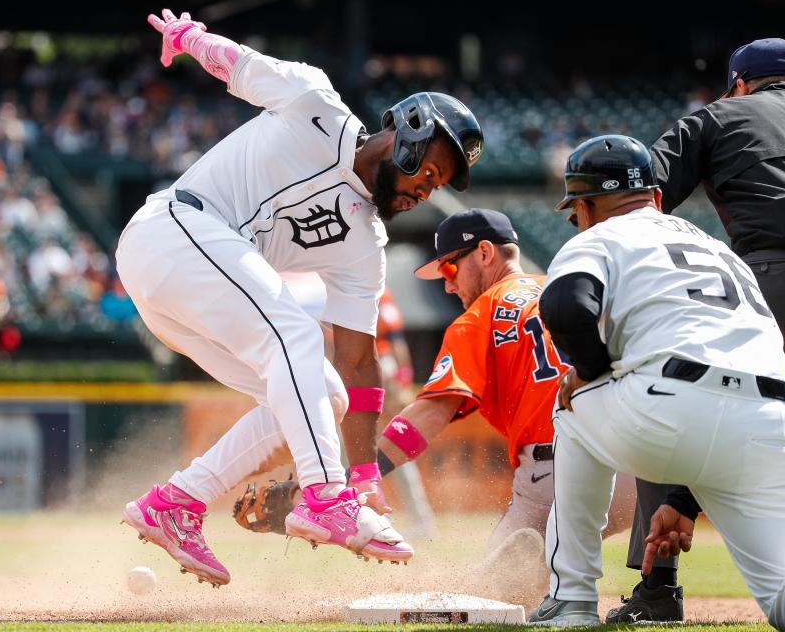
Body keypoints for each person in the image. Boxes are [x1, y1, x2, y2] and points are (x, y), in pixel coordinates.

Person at [116, 8, 484, 587]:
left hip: (189, 292)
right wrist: (189, 38)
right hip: (170, 231)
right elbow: (240, 68)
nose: (427, 190)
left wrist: (365, 473)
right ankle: (323, 497)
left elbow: (360, 361)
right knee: (294, 333)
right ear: (409, 140)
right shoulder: (316, 105)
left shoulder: (367, 244)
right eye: (430, 174)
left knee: (324, 394)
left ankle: (176, 503)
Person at [530, 133, 785, 631]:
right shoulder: (717, 248)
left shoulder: (598, 236)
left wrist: (589, 372)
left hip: (669, 402)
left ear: (588, 205)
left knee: (570, 404)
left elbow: (565, 307)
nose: (577, 221)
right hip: (769, 418)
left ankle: (570, 597)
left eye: (576, 211)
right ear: (656, 198)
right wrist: (681, 500)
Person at [233, 209, 639, 609]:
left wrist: (342, 482)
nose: (447, 286)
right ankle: (653, 588)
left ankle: (546, 558)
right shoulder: (565, 291)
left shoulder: (481, 316)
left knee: (486, 602)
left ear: (484, 253)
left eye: (449, 269)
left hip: (559, 474)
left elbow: (429, 416)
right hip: (638, 464)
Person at [651, 37, 785, 380]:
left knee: (681, 379)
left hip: (777, 282)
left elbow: (643, 192)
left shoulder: (716, 114)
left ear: (741, 86)